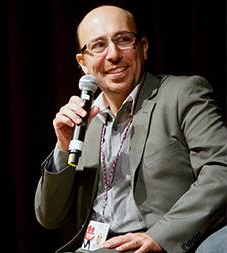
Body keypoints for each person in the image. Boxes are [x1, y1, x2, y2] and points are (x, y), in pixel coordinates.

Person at [35, 5, 227, 253]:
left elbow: (220, 169)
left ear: (143, 47)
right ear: (83, 63)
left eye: (123, 40)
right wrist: (64, 146)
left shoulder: (182, 94)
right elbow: (50, 216)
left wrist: (160, 237)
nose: (113, 55)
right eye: (98, 46)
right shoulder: (84, 123)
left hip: (162, 242)